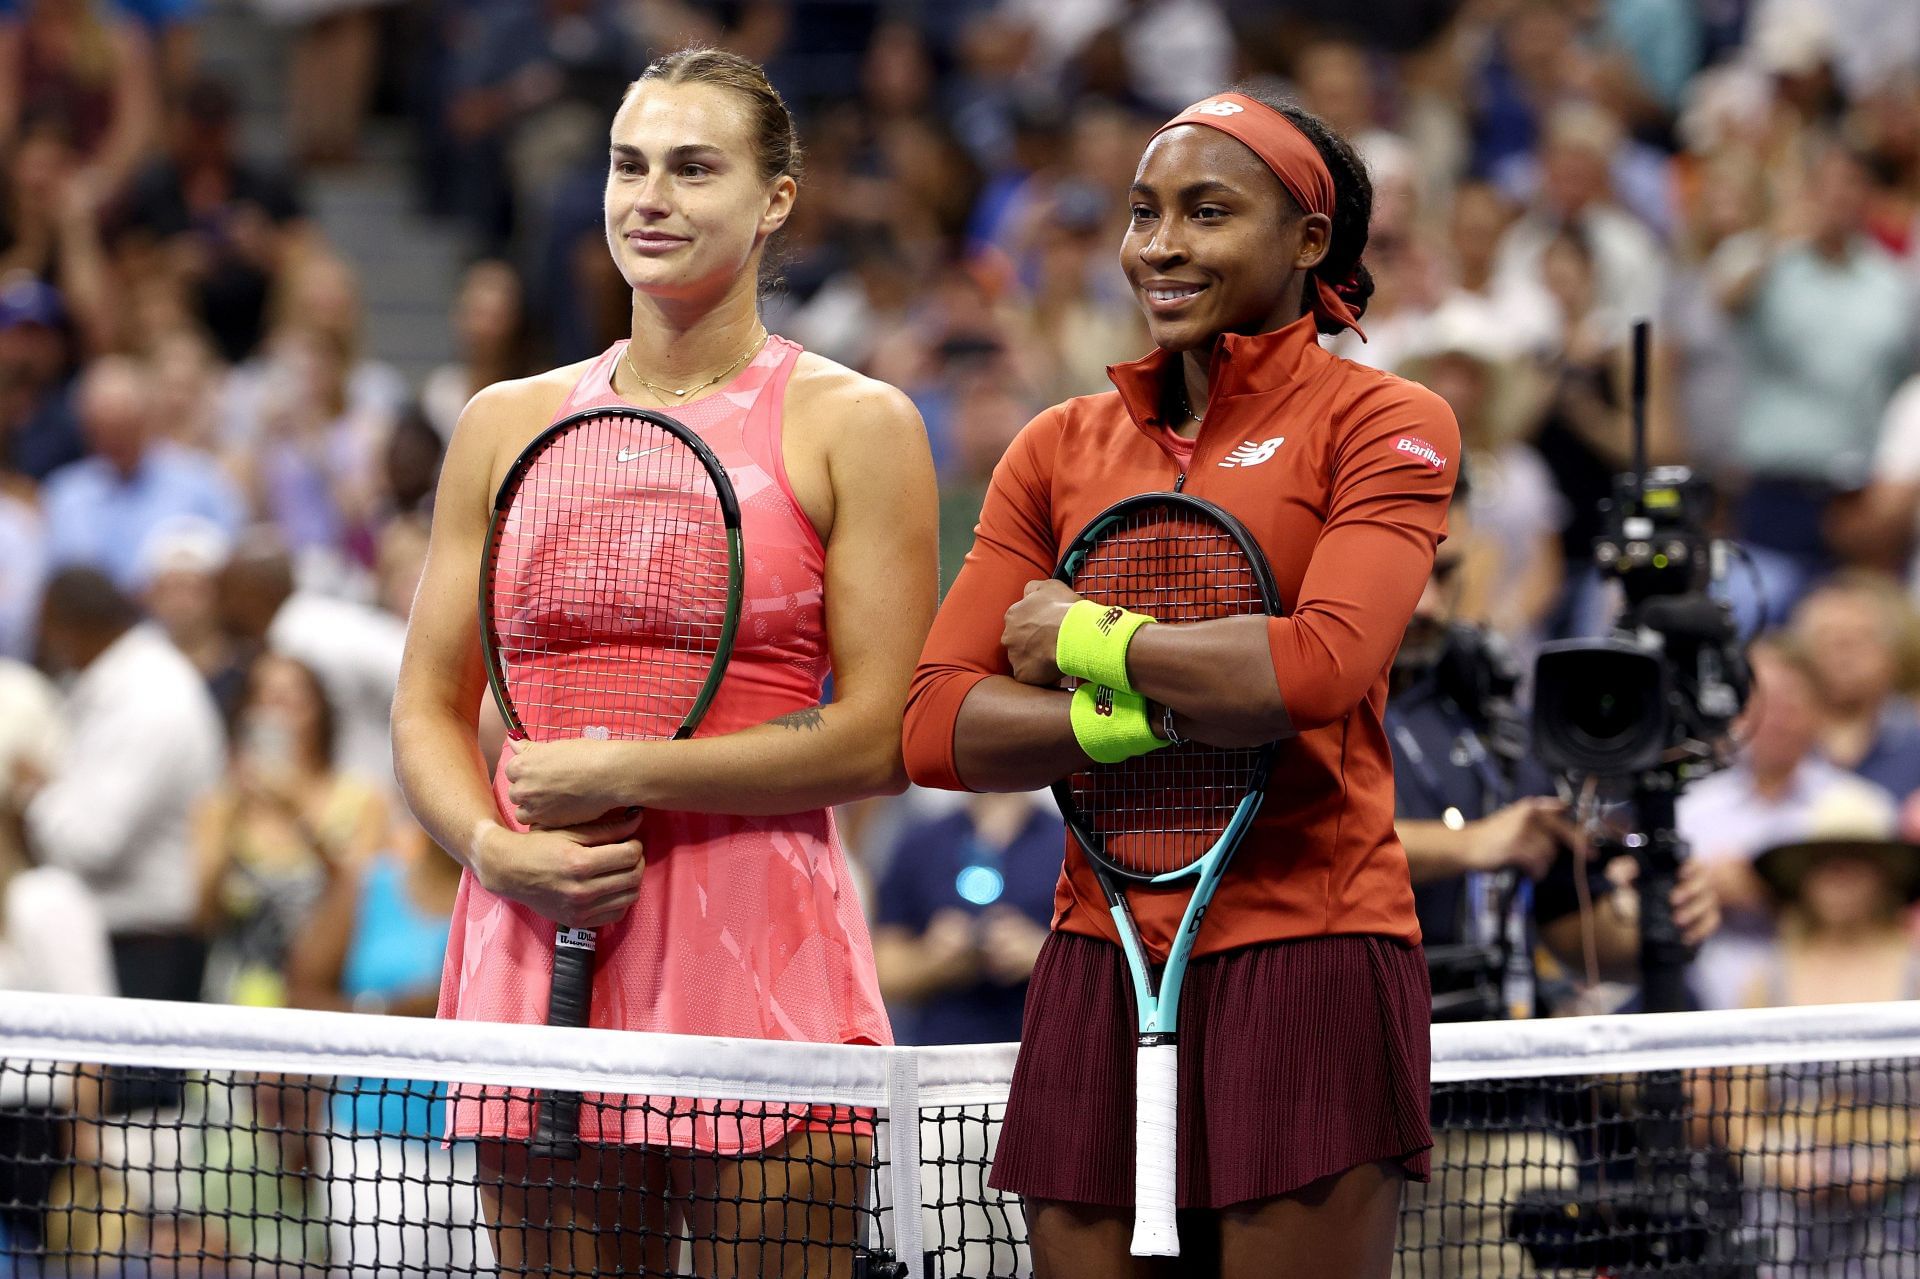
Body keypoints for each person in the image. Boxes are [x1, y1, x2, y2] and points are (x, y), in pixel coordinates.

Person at [391, 47, 938, 1275]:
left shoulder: (857, 424)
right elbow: (427, 706)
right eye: (630, 165)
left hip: (762, 947)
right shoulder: (503, 424)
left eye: (696, 168)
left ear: (777, 197)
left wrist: (625, 769)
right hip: (537, 925)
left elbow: (881, 734)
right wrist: (495, 848)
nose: (653, 197)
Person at [904, 86, 1456, 1277]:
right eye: (1144, 212)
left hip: (1310, 942)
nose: (1161, 244)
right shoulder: (1055, 444)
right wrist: (1150, 714)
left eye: (1207, 212)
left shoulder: (1387, 420)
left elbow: (1317, 665)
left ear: (1311, 243)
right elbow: (937, 722)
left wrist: (1086, 636)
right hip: (1098, 947)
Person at [20, 567, 223, 1004]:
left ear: (70, 625)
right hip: (116, 943)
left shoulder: (150, 697)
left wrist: (35, 794)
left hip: (148, 953)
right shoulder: (123, 682)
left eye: (47, 625)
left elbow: (92, 845)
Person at [1678, 634, 1896, 1010]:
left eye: (1789, 703)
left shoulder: (1862, 808)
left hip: (1825, 1001)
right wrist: (1700, 888)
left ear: (1817, 711)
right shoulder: (1692, 810)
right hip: (1702, 1009)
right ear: (1737, 713)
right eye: (1761, 704)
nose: (1775, 719)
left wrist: (1772, 889)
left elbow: (1880, 919)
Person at [195, 651, 386, 1009]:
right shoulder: (221, 805)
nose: (279, 711)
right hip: (236, 994)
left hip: (324, 994)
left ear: (320, 711)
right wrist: (234, 812)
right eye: (265, 697)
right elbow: (204, 914)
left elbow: (361, 899)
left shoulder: (362, 799)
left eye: (293, 697)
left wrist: (297, 813)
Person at [872, 790, 1060, 1045]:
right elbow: (883, 975)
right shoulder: (922, 844)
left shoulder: (1069, 845)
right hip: (942, 1052)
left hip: (1043, 1047)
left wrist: (1044, 958)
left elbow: (1116, 968)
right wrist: (932, 959)